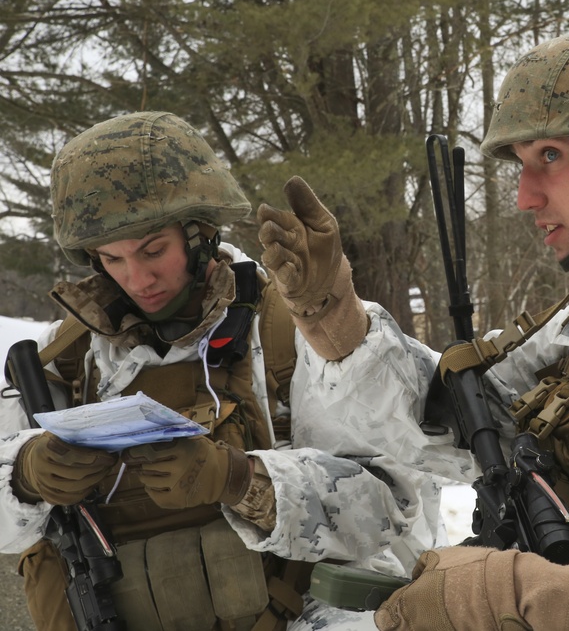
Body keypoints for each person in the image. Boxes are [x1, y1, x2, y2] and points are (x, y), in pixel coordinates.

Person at [256, 29, 569, 630]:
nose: (524, 197)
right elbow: (453, 416)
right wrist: (332, 313)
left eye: (548, 157)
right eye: (521, 166)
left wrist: (527, 594)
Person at [0, 111, 443, 631]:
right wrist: (24, 475)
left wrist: (241, 480)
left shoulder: (292, 330)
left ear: (201, 232)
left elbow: (393, 509)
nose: (136, 278)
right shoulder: (62, 360)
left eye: (152, 250)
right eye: (111, 259)